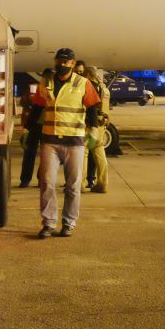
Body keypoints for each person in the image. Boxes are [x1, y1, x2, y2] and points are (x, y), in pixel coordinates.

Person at [26, 48, 100, 238]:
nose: (62, 65)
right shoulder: (46, 83)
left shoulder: (84, 83)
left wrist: (93, 130)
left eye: (66, 62)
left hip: (74, 141)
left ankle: (68, 223)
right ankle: (49, 223)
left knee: (73, 186)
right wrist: (28, 131)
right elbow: (37, 108)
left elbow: (92, 107)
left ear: (73, 64)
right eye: (59, 61)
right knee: (47, 183)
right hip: (50, 140)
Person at [19, 68, 53, 188]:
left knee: (29, 154)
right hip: (49, 126)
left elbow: (36, 109)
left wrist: (27, 127)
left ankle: (25, 180)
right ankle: (41, 179)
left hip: (36, 126)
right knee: (46, 155)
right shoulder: (56, 88)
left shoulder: (41, 87)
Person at [82, 65, 110, 193]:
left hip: (90, 125)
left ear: (87, 74)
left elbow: (90, 107)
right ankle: (103, 183)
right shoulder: (103, 87)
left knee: (84, 154)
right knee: (100, 154)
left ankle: (81, 184)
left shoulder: (88, 86)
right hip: (101, 125)